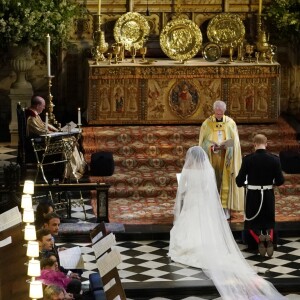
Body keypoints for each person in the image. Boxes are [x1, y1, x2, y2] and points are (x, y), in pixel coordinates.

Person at [169, 146, 285, 299]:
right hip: (203, 203)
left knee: (187, 226)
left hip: (191, 202)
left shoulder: (187, 171)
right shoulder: (208, 171)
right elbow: (209, 190)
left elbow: (182, 190)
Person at [236, 134, 285, 257]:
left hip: (253, 195)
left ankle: (256, 243)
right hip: (268, 194)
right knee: (268, 220)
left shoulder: (248, 159)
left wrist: (243, 183)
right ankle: (270, 240)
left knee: (252, 221)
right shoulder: (275, 159)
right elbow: (280, 181)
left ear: (254, 144)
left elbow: (239, 181)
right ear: (266, 144)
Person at [199, 100, 244, 219]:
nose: (219, 114)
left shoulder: (230, 123)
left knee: (225, 182)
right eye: (217, 112)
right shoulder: (207, 124)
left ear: (224, 111)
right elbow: (202, 143)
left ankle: (225, 208)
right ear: (214, 110)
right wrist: (211, 147)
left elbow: (235, 142)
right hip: (212, 158)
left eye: (221, 112)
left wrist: (227, 147)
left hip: (226, 159)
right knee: (213, 181)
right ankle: (211, 208)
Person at [26, 95, 87, 180]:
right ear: (37, 106)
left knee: (71, 139)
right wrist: (56, 132)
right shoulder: (31, 118)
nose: (44, 108)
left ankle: (77, 167)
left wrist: (57, 130)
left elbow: (44, 125)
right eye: (43, 106)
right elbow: (41, 131)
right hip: (40, 144)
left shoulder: (34, 115)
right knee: (69, 141)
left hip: (44, 140)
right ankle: (70, 172)